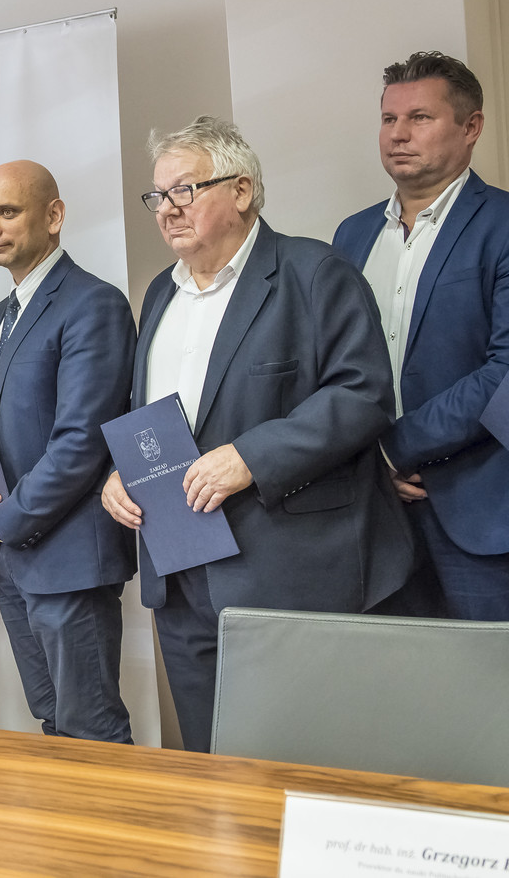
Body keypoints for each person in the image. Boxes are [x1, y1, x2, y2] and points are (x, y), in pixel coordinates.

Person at [101, 116, 413, 751]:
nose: (167, 209)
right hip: (179, 572)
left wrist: (250, 457)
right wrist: (122, 472)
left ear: (240, 190)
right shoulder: (160, 293)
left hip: (287, 571)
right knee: (210, 767)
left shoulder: (314, 272)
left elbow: (363, 396)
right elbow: (154, 413)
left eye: (184, 190)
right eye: (157, 195)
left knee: (301, 761)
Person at [332, 53, 509, 792]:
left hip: (480, 509)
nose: (398, 134)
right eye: (388, 118)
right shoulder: (349, 237)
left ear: (470, 128)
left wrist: (392, 448)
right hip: (376, 518)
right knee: (410, 712)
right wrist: (365, 463)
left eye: (419, 117)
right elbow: (334, 372)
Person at [0, 160, 137, 743]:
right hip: (11, 558)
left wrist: (4, 519)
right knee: (55, 723)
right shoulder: (0, 316)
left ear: (54, 216)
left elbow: (82, 440)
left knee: (91, 729)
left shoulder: (94, 304)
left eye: (7, 212)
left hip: (69, 559)